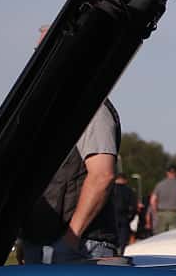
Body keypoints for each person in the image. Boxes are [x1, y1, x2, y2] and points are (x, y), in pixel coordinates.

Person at [20, 99, 121, 263]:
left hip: (82, 245)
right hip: (43, 242)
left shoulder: (92, 111)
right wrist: (26, 237)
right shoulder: (49, 112)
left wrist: (71, 239)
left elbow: (102, 176)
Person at [150, 164, 176, 235]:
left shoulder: (159, 185)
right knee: (174, 237)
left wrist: (155, 213)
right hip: (175, 214)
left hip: (161, 213)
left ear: (167, 173)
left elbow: (152, 200)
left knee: (160, 236)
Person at [107, 172, 140, 247]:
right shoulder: (129, 191)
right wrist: (130, 217)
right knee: (123, 241)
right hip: (124, 217)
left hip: (111, 217)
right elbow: (134, 206)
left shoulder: (110, 189)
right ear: (125, 180)